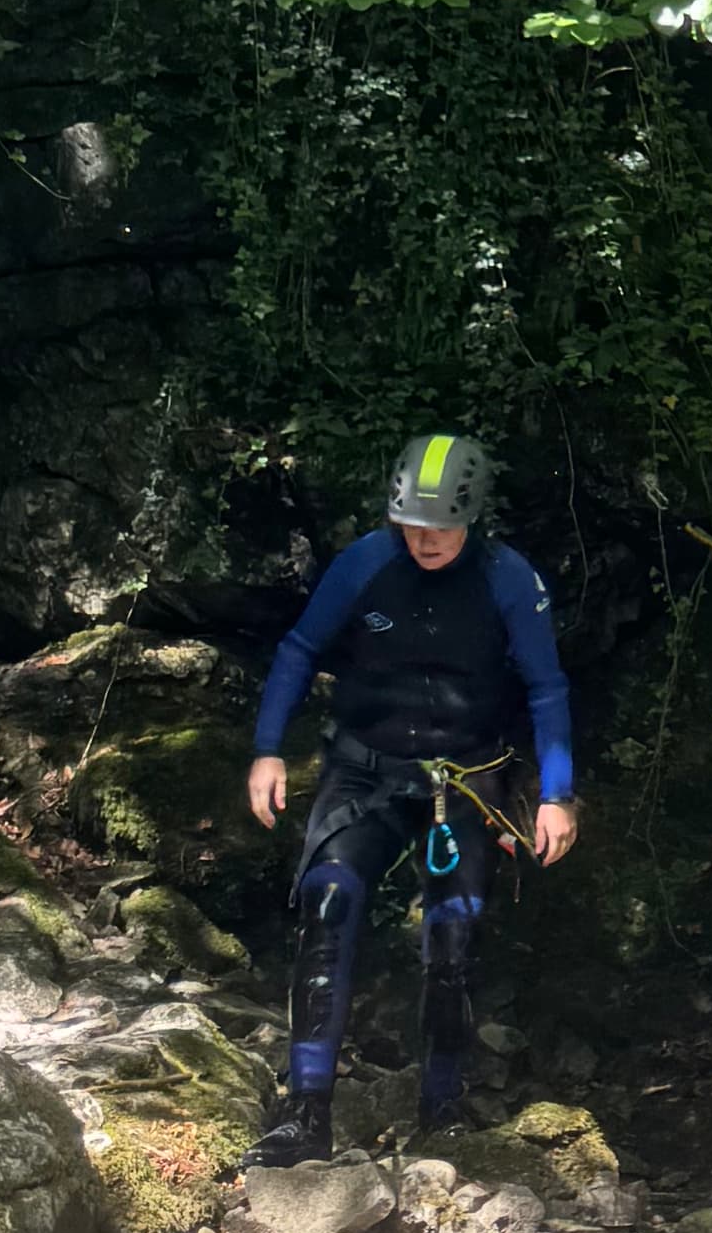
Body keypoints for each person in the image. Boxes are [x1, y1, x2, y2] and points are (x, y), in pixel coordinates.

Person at [245, 431, 577, 1160]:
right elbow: (299, 649)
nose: (425, 541)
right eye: (412, 526)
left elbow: (545, 685)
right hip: (365, 767)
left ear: (472, 518)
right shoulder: (364, 563)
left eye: (441, 528)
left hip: (463, 775)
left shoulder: (508, 579)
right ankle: (306, 1112)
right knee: (328, 907)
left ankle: (444, 1109)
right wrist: (268, 750)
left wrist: (557, 794)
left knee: (453, 934)